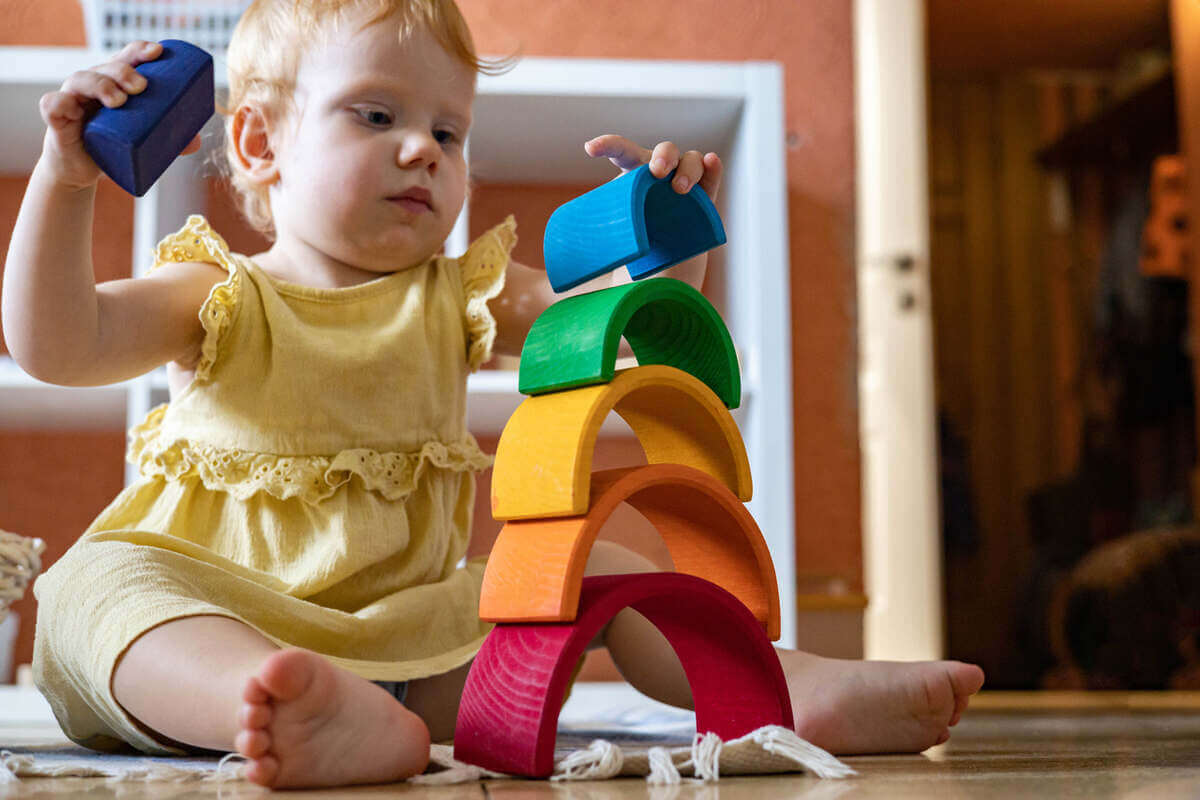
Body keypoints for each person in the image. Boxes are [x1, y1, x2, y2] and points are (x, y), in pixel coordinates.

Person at [2, 0, 985, 789]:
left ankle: (779, 686)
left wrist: (673, 238)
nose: (423, 148)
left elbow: (618, 329)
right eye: (377, 115)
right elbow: (53, 342)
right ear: (258, 143)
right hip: (221, 611)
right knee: (95, 590)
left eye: (449, 128)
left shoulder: (458, 295)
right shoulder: (217, 290)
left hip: (416, 639)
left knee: (589, 557)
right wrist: (67, 175)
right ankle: (268, 703)